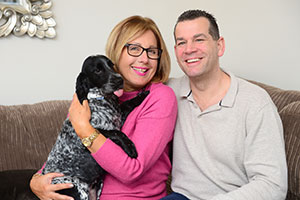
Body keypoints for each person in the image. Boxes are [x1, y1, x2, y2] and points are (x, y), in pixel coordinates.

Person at [30, 15, 177, 200]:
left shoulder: (160, 97)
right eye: (134, 49)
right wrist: (36, 181)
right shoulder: (93, 95)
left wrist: (85, 130)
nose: (145, 59)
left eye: (152, 51)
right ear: (117, 51)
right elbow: (66, 148)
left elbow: (132, 171)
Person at [162, 9, 288, 200]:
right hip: (181, 196)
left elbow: (272, 184)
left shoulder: (255, 102)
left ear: (219, 46)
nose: (189, 49)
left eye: (199, 39)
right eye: (182, 42)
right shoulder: (168, 92)